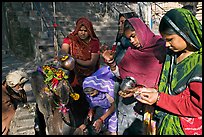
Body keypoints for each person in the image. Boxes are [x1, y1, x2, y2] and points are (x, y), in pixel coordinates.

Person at [126, 8, 202, 135]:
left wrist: (159, 98)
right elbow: (166, 83)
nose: (166, 44)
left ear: (185, 33)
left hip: (185, 130)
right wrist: (154, 92)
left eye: (170, 39)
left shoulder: (198, 63)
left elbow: (197, 107)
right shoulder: (172, 55)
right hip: (164, 124)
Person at [101, 18, 166, 135]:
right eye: (129, 38)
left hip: (151, 110)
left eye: (134, 36)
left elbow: (165, 81)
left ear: (141, 30)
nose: (132, 41)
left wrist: (141, 91)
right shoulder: (131, 52)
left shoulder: (161, 48)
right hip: (128, 109)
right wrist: (111, 63)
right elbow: (121, 75)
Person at [60, 17, 100, 127]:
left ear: (89, 31)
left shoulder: (94, 42)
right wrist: (65, 56)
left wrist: (75, 60)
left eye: (85, 30)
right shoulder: (71, 39)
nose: (82, 33)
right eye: (80, 30)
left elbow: (92, 62)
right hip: (75, 76)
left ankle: (89, 124)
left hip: (90, 77)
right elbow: (64, 50)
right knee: (75, 100)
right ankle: (78, 125)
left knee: (90, 102)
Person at [79, 66, 117, 135]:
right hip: (102, 107)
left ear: (97, 88)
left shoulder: (106, 88)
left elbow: (113, 106)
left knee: (112, 127)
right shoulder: (88, 92)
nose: (91, 95)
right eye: (89, 94)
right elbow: (92, 102)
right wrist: (91, 111)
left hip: (112, 107)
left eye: (92, 93)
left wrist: (101, 119)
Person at [2, 70, 29, 135]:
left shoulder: (19, 91)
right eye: (20, 85)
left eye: (23, 84)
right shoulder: (3, 96)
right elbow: (10, 114)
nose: (21, 87)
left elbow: (23, 101)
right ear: (12, 84)